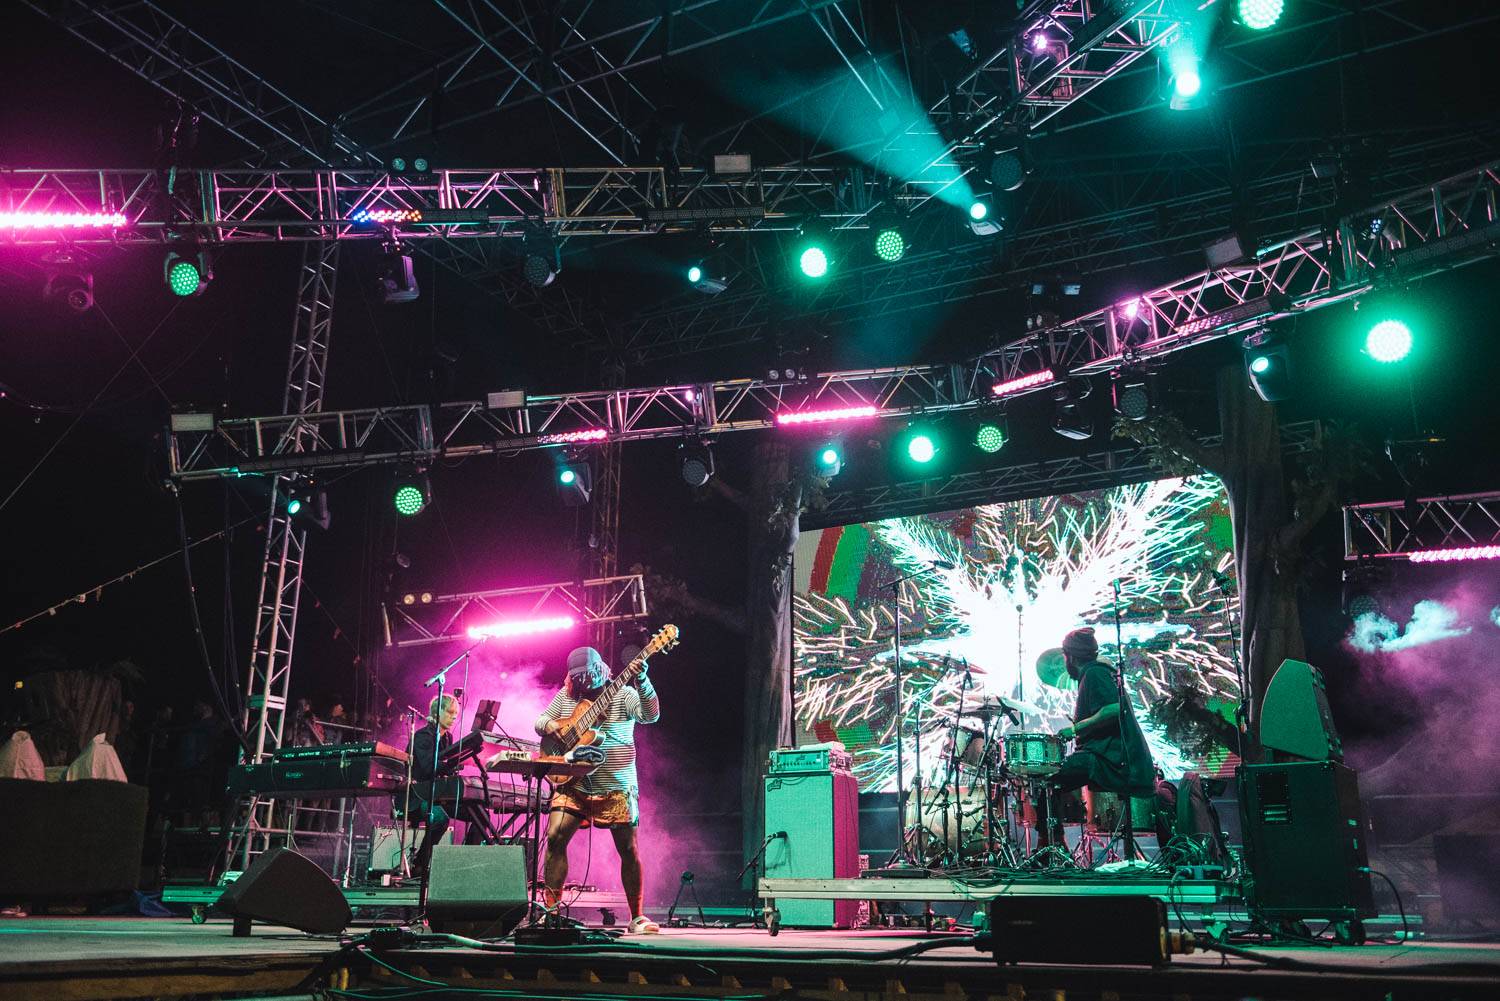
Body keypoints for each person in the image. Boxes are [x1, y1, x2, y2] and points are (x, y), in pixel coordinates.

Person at [535, 646, 660, 935]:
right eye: (578, 678)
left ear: (599, 669)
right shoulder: (567, 696)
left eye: (589, 675)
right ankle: (550, 913)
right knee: (554, 837)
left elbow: (650, 715)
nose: (584, 682)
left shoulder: (622, 694)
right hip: (574, 783)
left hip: (615, 785)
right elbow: (539, 722)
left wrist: (643, 681)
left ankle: (637, 917)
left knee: (628, 848)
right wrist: (556, 726)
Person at [1042, 627, 1155, 843]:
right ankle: (1054, 846)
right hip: (1111, 757)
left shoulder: (1095, 673)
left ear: (1071, 657)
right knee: (1053, 777)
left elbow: (1113, 709)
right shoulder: (1100, 672)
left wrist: (1075, 729)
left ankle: (1051, 848)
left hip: (1110, 760)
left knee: (1045, 779)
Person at [406, 693, 461, 876]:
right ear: (437, 713)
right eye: (451, 712)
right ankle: (420, 865)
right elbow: (429, 768)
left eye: (456, 713)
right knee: (439, 818)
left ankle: (466, 863)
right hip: (416, 795)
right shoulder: (423, 736)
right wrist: (453, 763)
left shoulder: (448, 738)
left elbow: (445, 768)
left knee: (478, 813)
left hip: (438, 794)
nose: (454, 716)